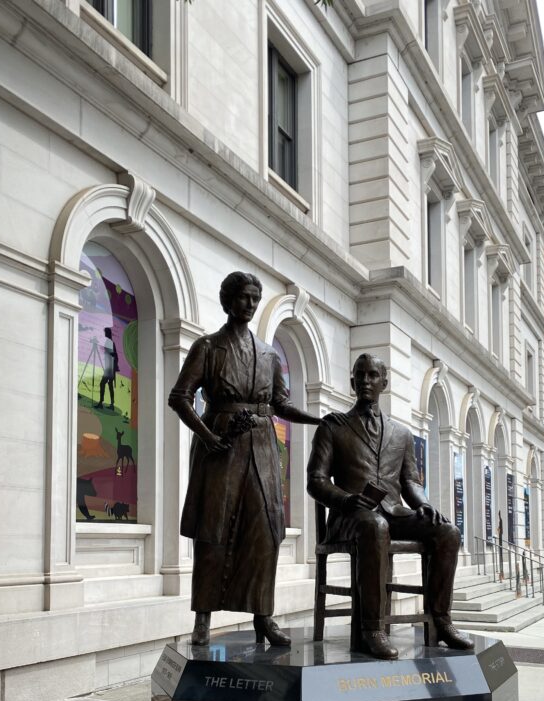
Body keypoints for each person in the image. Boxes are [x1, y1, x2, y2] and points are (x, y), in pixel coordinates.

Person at [169, 271, 320, 646]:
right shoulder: (207, 347)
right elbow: (180, 397)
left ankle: (262, 616)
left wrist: (320, 417)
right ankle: (202, 618)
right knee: (213, 531)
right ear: (227, 301)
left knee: (265, 531)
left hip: (263, 447)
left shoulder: (269, 354)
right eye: (243, 298)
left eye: (255, 298)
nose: (250, 305)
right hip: (220, 444)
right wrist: (209, 438)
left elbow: (280, 405)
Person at [306, 353, 474, 660]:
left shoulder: (401, 433)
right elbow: (315, 481)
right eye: (361, 375)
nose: (367, 381)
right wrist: (345, 499)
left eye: (373, 375)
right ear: (352, 381)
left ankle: (442, 620)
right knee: (374, 525)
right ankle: (373, 628)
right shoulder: (333, 426)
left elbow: (410, 481)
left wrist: (423, 504)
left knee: (448, 531)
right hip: (351, 517)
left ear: (385, 382)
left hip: (394, 513)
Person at [96, 326, 119, 410]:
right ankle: (111, 404)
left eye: (105, 332)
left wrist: (106, 352)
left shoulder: (109, 342)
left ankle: (101, 403)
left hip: (110, 367)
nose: (104, 333)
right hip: (110, 367)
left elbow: (113, 354)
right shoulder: (110, 342)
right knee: (109, 385)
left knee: (103, 384)